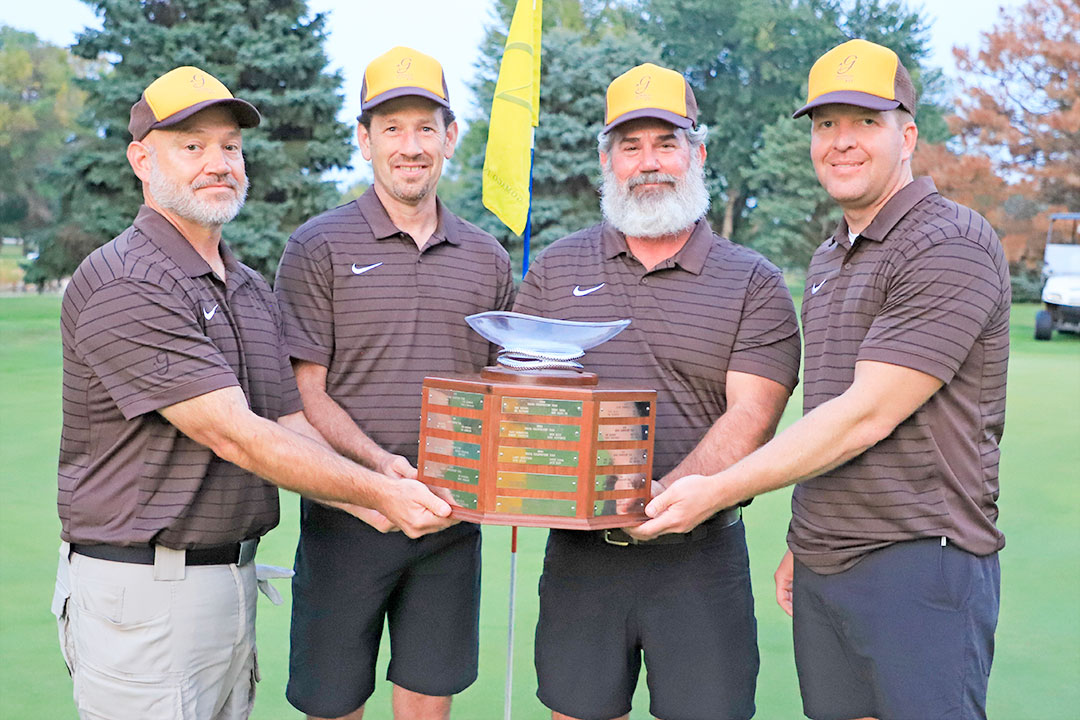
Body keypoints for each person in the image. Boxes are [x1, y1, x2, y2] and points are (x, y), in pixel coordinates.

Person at [51, 65, 456, 720]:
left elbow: (288, 420)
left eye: (230, 147)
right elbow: (232, 431)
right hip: (143, 594)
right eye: (192, 146)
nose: (218, 162)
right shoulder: (127, 279)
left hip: (229, 584)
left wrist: (379, 479)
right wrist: (380, 495)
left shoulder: (239, 283)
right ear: (141, 159)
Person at [638, 39, 1009, 720]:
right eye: (825, 124)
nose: (841, 142)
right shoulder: (832, 257)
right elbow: (825, 409)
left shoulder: (949, 241)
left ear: (908, 134)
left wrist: (715, 489)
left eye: (866, 121)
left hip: (922, 562)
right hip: (826, 564)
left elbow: (866, 414)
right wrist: (802, 541)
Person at [513, 63, 801, 720]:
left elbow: (752, 416)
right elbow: (526, 405)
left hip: (701, 558)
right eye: (631, 146)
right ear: (607, 161)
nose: (650, 163)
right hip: (581, 557)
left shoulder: (751, 281)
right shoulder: (556, 269)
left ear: (697, 154)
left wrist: (656, 503)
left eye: (666, 143)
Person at [273, 46, 514, 720]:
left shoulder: (488, 257)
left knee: (427, 705)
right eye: (391, 128)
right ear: (364, 139)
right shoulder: (317, 246)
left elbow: (498, 389)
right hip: (346, 518)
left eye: (425, 128)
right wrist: (380, 470)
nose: (410, 146)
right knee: (332, 704)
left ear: (450, 137)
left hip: (449, 522)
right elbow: (303, 394)